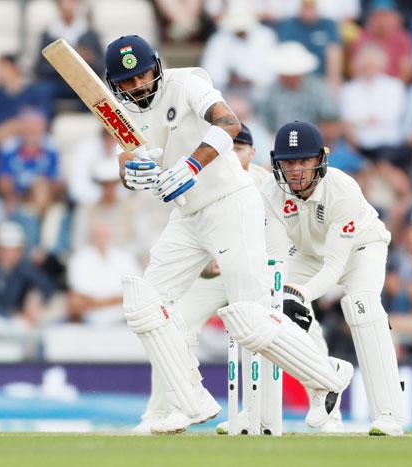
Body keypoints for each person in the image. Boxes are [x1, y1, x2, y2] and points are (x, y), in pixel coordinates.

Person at [107, 35, 352, 434]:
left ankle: (328, 374)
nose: (137, 86)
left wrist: (190, 167)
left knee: (249, 320)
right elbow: (126, 154)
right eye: (127, 81)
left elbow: (228, 123)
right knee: (143, 304)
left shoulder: (187, 83)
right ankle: (192, 400)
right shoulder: (123, 109)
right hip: (188, 217)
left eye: (142, 75)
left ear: (156, 66)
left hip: (230, 203)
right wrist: (130, 172)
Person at [260, 121, 405, 436]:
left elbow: (336, 266)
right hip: (307, 254)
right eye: (288, 162)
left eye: (303, 161)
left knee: (361, 305)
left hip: (360, 249)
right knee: (275, 309)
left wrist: (299, 294)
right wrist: (285, 296)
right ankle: (326, 382)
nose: (296, 170)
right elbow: (276, 255)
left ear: (319, 160)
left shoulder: (342, 189)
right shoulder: (270, 193)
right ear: (277, 163)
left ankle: (389, 415)